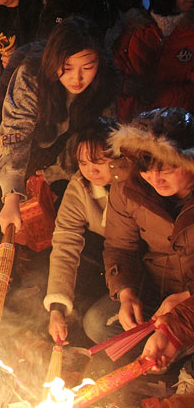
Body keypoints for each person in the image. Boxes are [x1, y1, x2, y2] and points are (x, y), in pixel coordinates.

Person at [0, 16, 118, 233]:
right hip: (21, 159)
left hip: (71, 168)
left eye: (87, 67)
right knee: (10, 227)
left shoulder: (104, 83)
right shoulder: (31, 76)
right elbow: (15, 131)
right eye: (67, 67)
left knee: (57, 233)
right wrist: (11, 197)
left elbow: (103, 133)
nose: (77, 78)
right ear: (53, 60)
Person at [83, 107, 194, 349]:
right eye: (146, 168)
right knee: (98, 322)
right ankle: (158, 356)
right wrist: (126, 291)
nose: (155, 179)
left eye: (167, 168)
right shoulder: (127, 190)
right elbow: (120, 246)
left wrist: (187, 299)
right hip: (155, 291)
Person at [45, 118, 127, 343]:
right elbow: (65, 243)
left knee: (97, 323)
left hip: (148, 273)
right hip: (116, 267)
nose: (91, 171)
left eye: (99, 161)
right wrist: (57, 307)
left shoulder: (139, 185)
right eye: (83, 163)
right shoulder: (81, 186)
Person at [113, 0, 194, 123]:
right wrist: (124, 86)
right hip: (130, 127)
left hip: (172, 129)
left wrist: (161, 96)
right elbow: (114, 70)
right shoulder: (136, 28)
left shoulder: (190, 36)